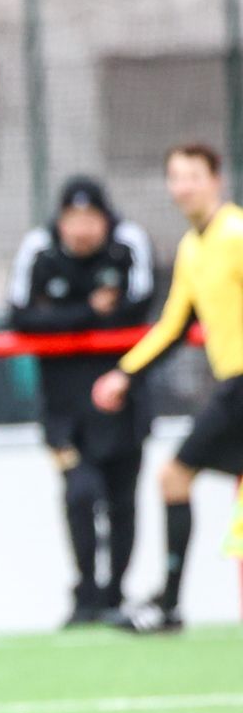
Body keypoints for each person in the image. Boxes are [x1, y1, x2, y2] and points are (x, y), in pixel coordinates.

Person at [93, 142, 243, 632]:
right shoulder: (193, 246)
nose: (183, 187)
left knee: (174, 476)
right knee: (178, 480)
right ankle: (170, 603)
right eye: (175, 177)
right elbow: (173, 324)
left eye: (193, 176)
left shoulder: (235, 234)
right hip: (231, 384)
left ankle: (170, 604)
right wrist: (125, 372)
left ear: (216, 179)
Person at [9, 176, 154, 627]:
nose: (82, 229)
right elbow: (21, 317)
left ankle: (114, 594)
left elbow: (142, 306)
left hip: (123, 403)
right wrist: (89, 312)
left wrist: (69, 319)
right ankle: (86, 591)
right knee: (79, 493)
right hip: (64, 410)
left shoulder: (127, 246)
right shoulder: (40, 250)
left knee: (122, 500)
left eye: (91, 218)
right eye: (73, 218)